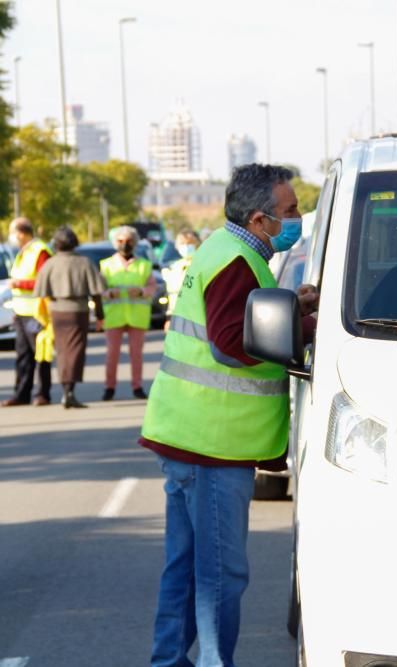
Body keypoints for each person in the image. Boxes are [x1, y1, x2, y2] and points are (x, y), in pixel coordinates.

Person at [140, 164, 318, 667]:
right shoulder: (238, 261)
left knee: (186, 569)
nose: (297, 217)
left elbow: (244, 317)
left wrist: (290, 307)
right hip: (213, 446)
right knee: (220, 575)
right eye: (290, 210)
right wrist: (302, 325)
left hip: (190, 436)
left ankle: (168, 661)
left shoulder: (225, 249)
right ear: (259, 219)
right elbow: (230, 339)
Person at [33, 225, 106, 409]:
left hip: (57, 311)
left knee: (63, 351)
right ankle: (69, 391)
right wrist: (100, 315)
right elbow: (96, 293)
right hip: (78, 311)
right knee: (76, 350)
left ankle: (66, 390)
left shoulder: (50, 264)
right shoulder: (84, 262)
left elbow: (41, 292)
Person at [100, 225, 157, 401]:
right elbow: (98, 289)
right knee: (112, 354)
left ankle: (137, 386)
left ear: (135, 242)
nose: (125, 244)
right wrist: (108, 293)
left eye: (129, 241)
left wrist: (141, 291)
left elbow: (152, 287)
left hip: (136, 316)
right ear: (115, 242)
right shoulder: (106, 265)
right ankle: (109, 387)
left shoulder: (144, 266)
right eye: (120, 241)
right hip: (114, 315)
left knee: (136, 354)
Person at [2, 217, 53, 407]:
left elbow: (43, 281)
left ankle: (42, 393)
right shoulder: (23, 252)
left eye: (13, 232)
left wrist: (19, 284)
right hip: (22, 312)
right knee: (23, 356)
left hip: (37, 312)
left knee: (41, 354)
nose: (12, 237)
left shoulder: (40, 251)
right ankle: (21, 394)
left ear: (22, 233)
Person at [160, 229, 201, 329]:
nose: (186, 247)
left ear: (197, 244)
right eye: (182, 243)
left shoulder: (199, 263)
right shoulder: (176, 266)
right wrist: (169, 317)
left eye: (190, 243)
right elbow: (172, 294)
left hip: (196, 315)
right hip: (176, 314)